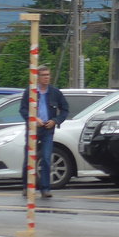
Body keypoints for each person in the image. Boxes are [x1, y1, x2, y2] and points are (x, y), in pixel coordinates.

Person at [19, 66, 69, 198]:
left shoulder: (55, 92)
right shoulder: (30, 92)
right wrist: (34, 119)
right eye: (43, 75)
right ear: (38, 77)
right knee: (30, 159)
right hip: (33, 130)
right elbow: (23, 110)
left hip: (48, 129)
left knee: (47, 158)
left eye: (48, 75)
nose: (46, 77)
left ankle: (45, 189)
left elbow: (65, 109)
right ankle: (27, 186)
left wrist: (56, 120)